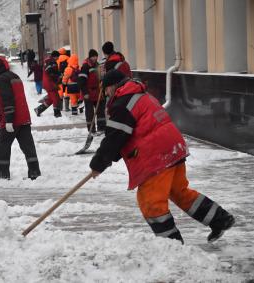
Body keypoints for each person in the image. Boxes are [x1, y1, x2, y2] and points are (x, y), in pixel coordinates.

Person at [90, 69, 235, 244]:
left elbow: (114, 138)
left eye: (105, 89)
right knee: (179, 192)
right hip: (173, 147)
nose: (105, 93)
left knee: (151, 203)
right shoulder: (141, 95)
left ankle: (173, 246)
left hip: (157, 155)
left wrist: (98, 164)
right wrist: (105, 160)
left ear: (112, 86)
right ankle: (220, 219)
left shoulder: (123, 103)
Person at [0, 56, 41, 180]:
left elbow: (8, 101)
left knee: (2, 145)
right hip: (23, 117)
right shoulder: (13, 76)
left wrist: (9, 120)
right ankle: (34, 172)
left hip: (13, 119)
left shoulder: (2, 79)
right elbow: (12, 100)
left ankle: (3, 174)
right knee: (28, 146)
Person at [78, 49, 105, 134]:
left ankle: (101, 128)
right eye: (93, 56)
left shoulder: (97, 65)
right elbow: (82, 81)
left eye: (96, 56)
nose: (95, 58)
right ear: (90, 57)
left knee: (100, 111)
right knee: (90, 113)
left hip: (98, 92)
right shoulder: (85, 66)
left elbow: (100, 78)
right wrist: (85, 93)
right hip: (89, 93)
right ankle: (91, 129)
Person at [34, 50, 62, 117]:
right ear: (55, 56)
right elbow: (50, 72)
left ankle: (39, 109)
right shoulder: (52, 62)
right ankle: (57, 113)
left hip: (47, 82)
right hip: (50, 83)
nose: (58, 58)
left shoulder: (48, 61)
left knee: (51, 98)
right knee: (55, 98)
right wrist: (58, 75)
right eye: (58, 57)